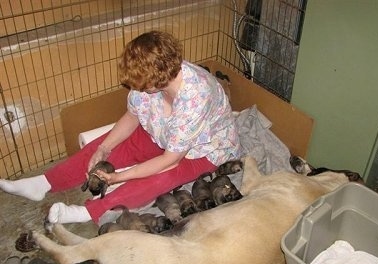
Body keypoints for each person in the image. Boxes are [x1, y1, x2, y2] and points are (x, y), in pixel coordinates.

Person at [0, 31, 240, 224]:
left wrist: (119, 177)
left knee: (160, 178)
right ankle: (43, 183)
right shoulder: (152, 81)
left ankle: (89, 211)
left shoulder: (195, 97)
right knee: (107, 145)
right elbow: (132, 116)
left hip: (204, 149)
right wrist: (104, 149)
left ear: (160, 79)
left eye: (142, 86)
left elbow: (170, 161)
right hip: (164, 135)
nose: (137, 90)